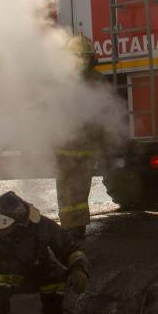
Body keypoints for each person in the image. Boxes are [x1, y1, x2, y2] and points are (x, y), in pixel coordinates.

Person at [54, 34, 104, 244]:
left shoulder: (90, 80)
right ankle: (70, 226)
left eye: (84, 57)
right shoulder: (61, 80)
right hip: (68, 144)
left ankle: (76, 227)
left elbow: (103, 111)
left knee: (78, 189)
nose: (81, 61)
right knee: (68, 189)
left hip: (81, 145)